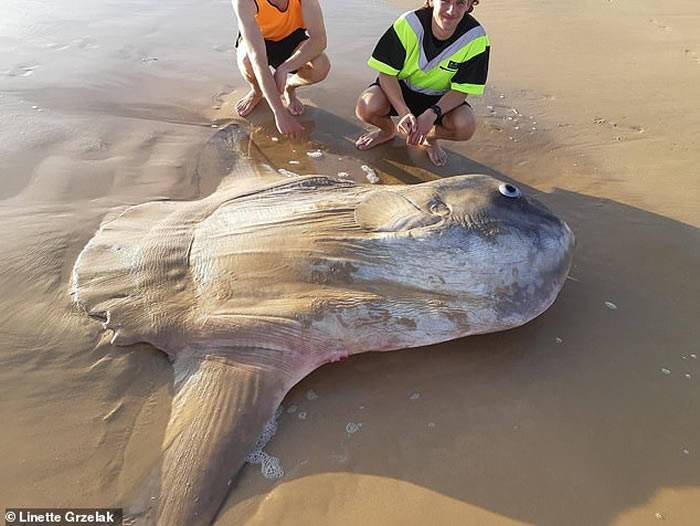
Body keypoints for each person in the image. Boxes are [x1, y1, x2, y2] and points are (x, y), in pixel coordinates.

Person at [355, 0, 490, 166]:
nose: (451, 10)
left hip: (439, 99)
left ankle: (429, 138)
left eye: (460, 3)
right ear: (431, 1)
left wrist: (433, 113)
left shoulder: (476, 38)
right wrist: (403, 112)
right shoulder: (409, 24)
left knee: (465, 126)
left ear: (469, 5)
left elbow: (461, 91)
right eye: (445, 1)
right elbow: (386, 74)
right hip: (401, 89)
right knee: (366, 107)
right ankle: (387, 131)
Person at [232, 0, 331, 140]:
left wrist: (285, 68)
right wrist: (280, 112)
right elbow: (257, 60)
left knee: (321, 65)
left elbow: (319, 40)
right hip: (260, 38)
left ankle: (289, 88)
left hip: (292, 37)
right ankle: (256, 91)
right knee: (247, 60)